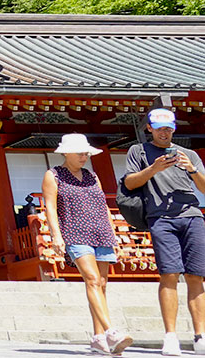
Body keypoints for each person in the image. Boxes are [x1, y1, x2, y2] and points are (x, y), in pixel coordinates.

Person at [124, 108, 205, 356]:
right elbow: (129, 183)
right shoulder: (138, 152)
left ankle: (200, 335)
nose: (164, 132)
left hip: (192, 216)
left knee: (196, 277)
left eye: (168, 127)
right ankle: (171, 336)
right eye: (159, 127)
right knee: (169, 275)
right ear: (149, 128)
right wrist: (154, 169)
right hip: (160, 218)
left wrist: (191, 169)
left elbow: (203, 187)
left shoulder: (188, 154)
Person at [42, 133, 132, 355]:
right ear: (67, 153)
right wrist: (56, 235)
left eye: (86, 153)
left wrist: (114, 233)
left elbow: (102, 205)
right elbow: (50, 207)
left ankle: (98, 338)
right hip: (75, 232)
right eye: (80, 153)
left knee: (101, 284)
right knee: (91, 279)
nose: (84, 157)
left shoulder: (92, 176)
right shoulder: (53, 175)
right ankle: (111, 332)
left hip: (100, 231)